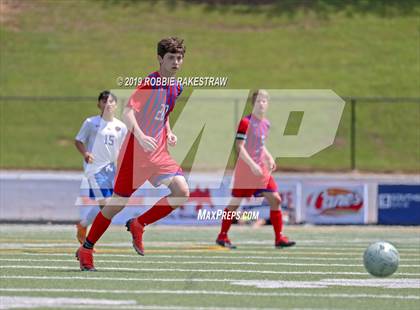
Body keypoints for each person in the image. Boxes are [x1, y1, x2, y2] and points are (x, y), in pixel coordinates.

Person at [76, 37, 189, 271]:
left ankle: (139, 223)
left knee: (181, 192)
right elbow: (128, 112)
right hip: (136, 154)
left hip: (158, 152)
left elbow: (163, 114)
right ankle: (86, 248)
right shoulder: (150, 83)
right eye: (171, 58)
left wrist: (169, 132)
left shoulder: (176, 86)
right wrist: (140, 136)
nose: (176, 62)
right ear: (160, 59)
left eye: (179, 58)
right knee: (116, 205)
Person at [216, 90, 296, 249]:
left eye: (264, 101)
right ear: (253, 103)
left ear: (268, 104)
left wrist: (269, 157)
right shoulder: (245, 122)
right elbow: (239, 147)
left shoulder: (266, 123)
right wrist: (252, 165)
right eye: (258, 101)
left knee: (276, 199)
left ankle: (279, 238)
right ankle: (222, 236)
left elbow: (261, 145)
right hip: (246, 170)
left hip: (261, 170)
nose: (261, 103)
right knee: (235, 203)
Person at [74, 91, 127, 244]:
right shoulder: (91, 122)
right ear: (99, 104)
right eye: (104, 101)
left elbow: (123, 149)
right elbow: (78, 140)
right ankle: (88, 239)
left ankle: (83, 226)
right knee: (106, 203)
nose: (108, 104)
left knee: (107, 205)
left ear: (116, 105)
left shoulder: (121, 126)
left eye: (111, 101)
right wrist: (85, 153)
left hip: (112, 169)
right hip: (94, 168)